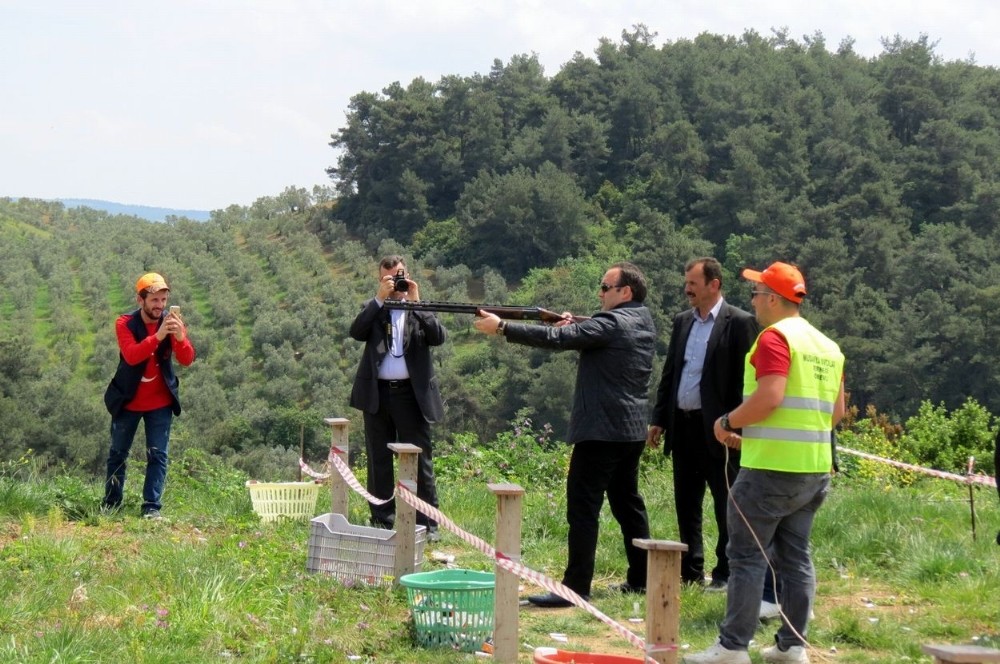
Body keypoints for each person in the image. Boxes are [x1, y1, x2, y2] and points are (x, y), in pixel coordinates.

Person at [683, 262, 845, 664]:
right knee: (795, 558)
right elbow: (835, 413)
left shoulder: (774, 338)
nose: (752, 301)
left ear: (773, 299)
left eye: (756, 294)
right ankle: (792, 647)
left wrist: (727, 422)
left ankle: (732, 647)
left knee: (745, 557)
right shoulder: (828, 346)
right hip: (813, 470)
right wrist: (763, 433)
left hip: (770, 472)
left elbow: (770, 396)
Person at [473, 262, 656, 607]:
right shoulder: (642, 319)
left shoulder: (611, 323)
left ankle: (575, 587)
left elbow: (557, 339)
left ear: (625, 292)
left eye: (605, 287)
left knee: (583, 508)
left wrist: (503, 327)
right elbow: (589, 333)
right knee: (627, 505)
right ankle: (642, 578)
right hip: (630, 429)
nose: (600, 293)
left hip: (601, 431)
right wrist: (576, 325)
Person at [647, 257, 759, 591]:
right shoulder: (683, 321)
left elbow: (746, 381)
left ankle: (725, 572)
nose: (687, 289)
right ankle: (691, 572)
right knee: (686, 502)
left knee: (726, 502)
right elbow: (671, 372)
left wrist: (737, 426)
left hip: (721, 431)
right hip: (683, 426)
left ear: (714, 284)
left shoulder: (740, 322)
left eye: (693, 284)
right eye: (686, 283)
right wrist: (659, 418)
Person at [349, 255, 446, 541]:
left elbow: (438, 337)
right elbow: (356, 331)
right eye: (389, 278)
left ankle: (427, 524)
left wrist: (416, 302)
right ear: (380, 280)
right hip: (377, 395)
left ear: (409, 275)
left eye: (399, 276)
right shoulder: (373, 309)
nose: (396, 283)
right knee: (378, 459)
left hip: (411, 396)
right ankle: (383, 519)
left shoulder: (418, 309)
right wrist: (379, 299)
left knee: (420, 460)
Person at [102, 272, 195, 518]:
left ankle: (152, 507)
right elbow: (132, 355)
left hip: (160, 402)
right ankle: (111, 504)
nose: (160, 306)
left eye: (163, 300)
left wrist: (180, 337)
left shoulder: (172, 323)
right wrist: (159, 335)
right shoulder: (124, 323)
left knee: (158, 455)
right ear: (140, 300)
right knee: (118, 454)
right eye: (154, 300)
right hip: (128, 400)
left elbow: (187, 359)